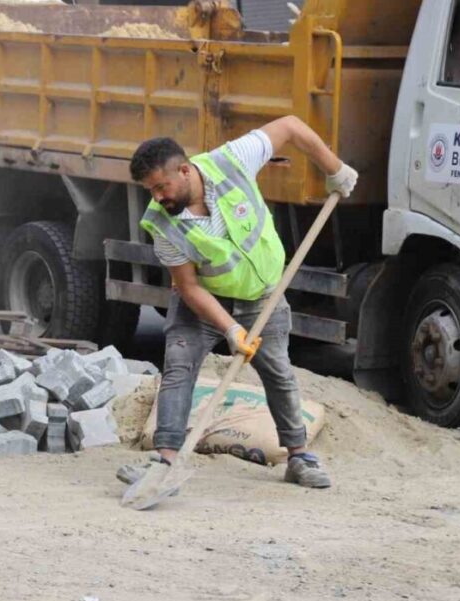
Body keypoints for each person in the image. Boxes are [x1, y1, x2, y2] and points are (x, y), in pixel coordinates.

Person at [118, 115, 358, 489]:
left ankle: (298, 457)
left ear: (184, 170)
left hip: (262, 293)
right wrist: (230, 328)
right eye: (150, 190)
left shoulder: (231, 161)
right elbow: (188, 286)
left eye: (161, 187)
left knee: (277, 370)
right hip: (204, 301)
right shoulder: (161, 225)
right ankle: (165, 460)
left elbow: (292, 126)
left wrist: (335, 169)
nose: (157, 197)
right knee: (179, 365)